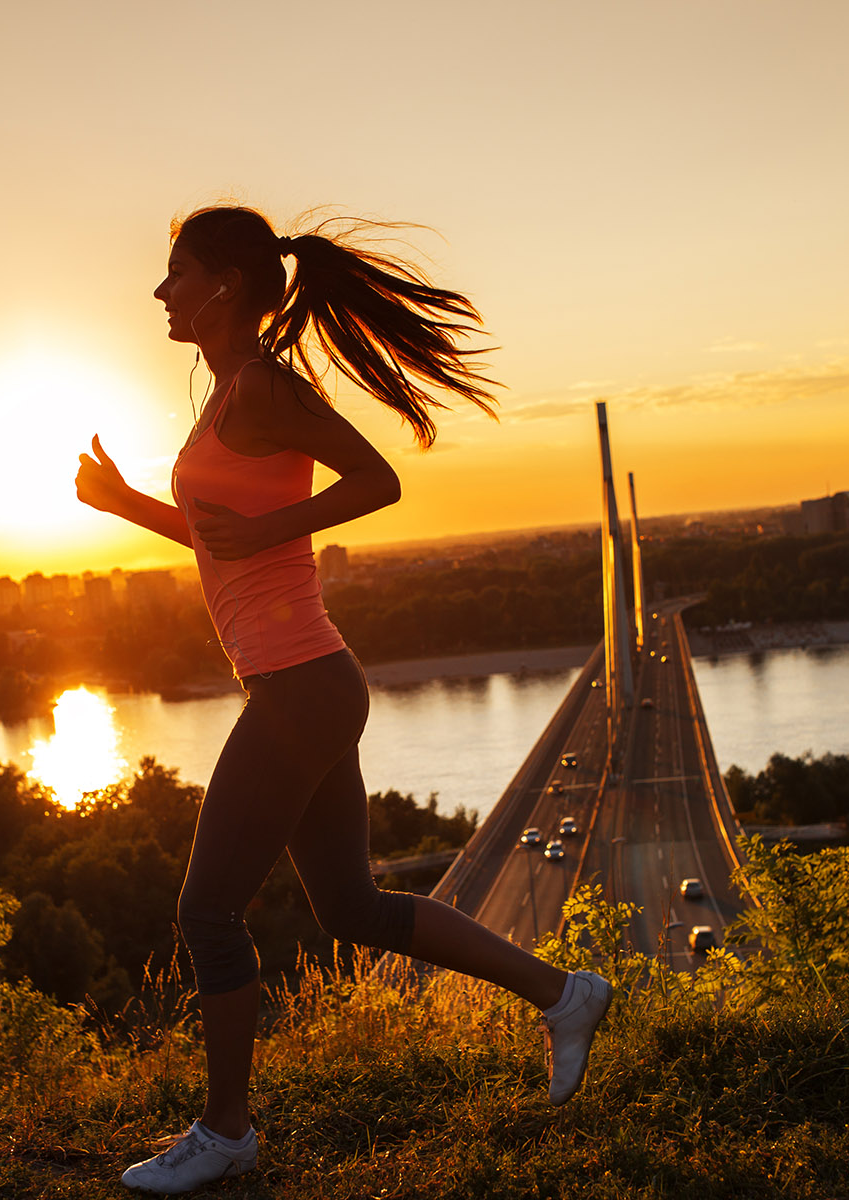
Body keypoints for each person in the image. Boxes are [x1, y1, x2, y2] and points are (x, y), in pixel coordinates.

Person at [75, 205, 612, 1195]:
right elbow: (226, 540)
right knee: (353, 907)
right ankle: (563, 994)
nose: (160, 290)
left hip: (300, 688)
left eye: (176, 271)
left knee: (208, 912)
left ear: (226, 284)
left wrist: (282, 518)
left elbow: (376, 480)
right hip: (300, 683)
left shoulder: (264, 387)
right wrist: (125, 506)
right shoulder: (231, 390)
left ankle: (225, 1131)